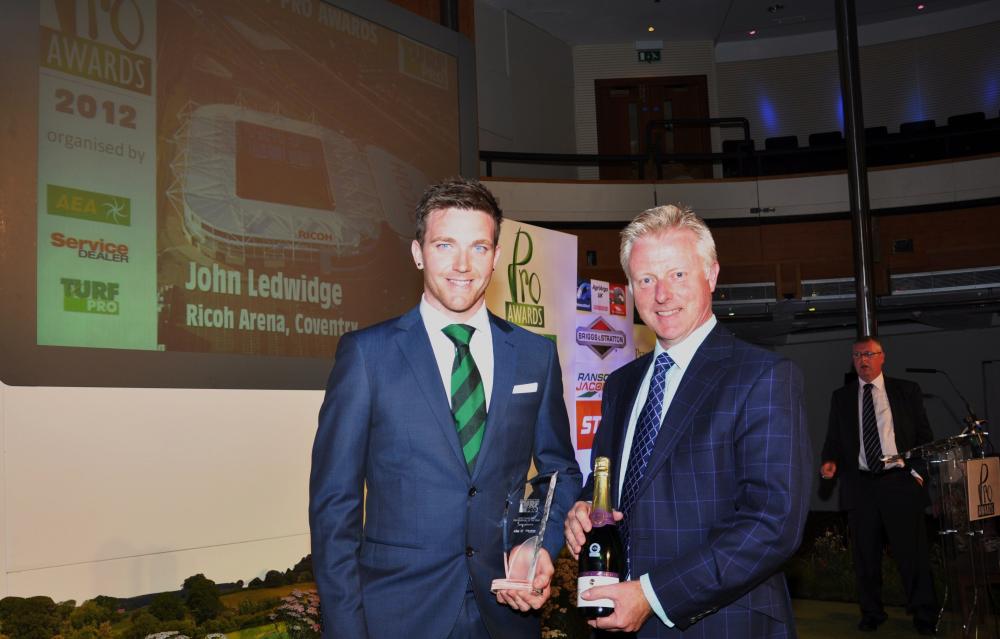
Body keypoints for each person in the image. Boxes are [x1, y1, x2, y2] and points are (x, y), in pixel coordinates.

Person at [309, 177, 581, 639]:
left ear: (496, 256)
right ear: (418, 252)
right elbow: (335, 506)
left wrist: (537, 545)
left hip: (507, 614)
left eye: (478, 247)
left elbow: (560, 472)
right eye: (444, 245)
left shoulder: (534, 355)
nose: (462, 265)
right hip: (398, 618)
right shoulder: (367, 356)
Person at [564, 204, 813, 638]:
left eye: (677, 274)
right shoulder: (620, 384)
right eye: (646, 279)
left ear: (711, 275)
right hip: (617, 620)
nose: (662, 294)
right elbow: (610, 482)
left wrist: (653, 595)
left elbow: (772, 523)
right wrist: (585, 508)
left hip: (722, 624)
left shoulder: (763, 376)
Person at [820, 337, 938, 635]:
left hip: (899, 481)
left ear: (882, 357)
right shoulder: (842, 397)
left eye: (869, 354)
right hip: (861, 485)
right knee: (865, 556)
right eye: (858, 355)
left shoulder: (906, 391)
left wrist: (918, 473)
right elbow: (833, 438)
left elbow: (924, 436)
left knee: (912, 554)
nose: (863, 360)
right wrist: (829, 461)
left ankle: (923, 612)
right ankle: (872, 612)